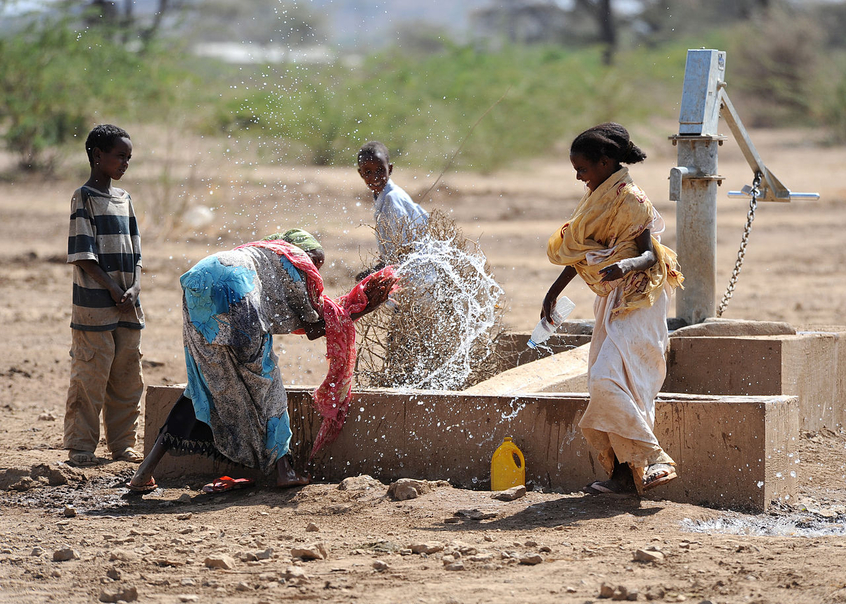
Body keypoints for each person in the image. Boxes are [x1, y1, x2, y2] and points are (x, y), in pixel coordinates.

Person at [128, 229, 398, 492]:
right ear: (301, 251)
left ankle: (144, 472)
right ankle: (285, 471)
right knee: (268, 383)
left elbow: (313, 318)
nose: (316, 269)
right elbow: (315, 328)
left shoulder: (261, 253)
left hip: (199, 282)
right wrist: (364, 306)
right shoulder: (295, 261)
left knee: (202, 382)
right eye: (315, 260)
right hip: (237, 292)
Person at [541, 123, 684, 495]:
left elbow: (649, 254)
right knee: (609, 383)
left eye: (582, 169)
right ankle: (624, 477)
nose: (578, 176)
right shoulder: (595, 196)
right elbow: (585, 251)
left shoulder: (631, 198)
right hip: (610, 295)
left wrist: (626, 266)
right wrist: (553, 292)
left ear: (605, 162)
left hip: (639, 296)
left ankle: (654, 459)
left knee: (613, 379)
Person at [64, 124, 145, 467]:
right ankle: (81, 447)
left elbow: (136, 252)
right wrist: (113, 289)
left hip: (128, 305)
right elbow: (83, 255)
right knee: (90, 375)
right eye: (119, 156)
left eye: (129, 158)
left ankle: (123, 445)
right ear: (98, 156)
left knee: (127, 377)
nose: (125, 163)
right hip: (96, 307)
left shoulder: (124, 199)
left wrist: (134, 287)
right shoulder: (83, 197)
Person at [356, 141, 428, 280]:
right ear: (361, 173)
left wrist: (377, 271)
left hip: (417, 272)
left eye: (380, 170)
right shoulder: (381, 196)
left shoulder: (392, 199)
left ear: (390, 169)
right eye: (368, 172)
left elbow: (405, 250)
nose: (375, 177)